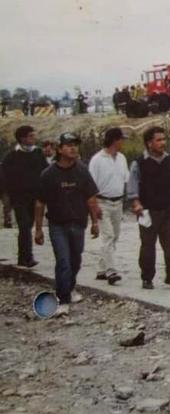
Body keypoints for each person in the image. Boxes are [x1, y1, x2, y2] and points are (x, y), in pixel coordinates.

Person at [34, 133, 100, 317]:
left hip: (78, 223)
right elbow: (40, 203)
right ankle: (62, 300)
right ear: (60, 149)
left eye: (75, 145)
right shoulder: (48, 174)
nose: (73, 148)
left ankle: (69, 288)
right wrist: (38, 229)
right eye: (69, 145)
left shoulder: (82, 170)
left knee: (75, 260)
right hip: (57, 225)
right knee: (63, 261)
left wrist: (95, 222)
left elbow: (91, 198)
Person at [127, 126, 170, 289]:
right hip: (148, 211)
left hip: (168, 210)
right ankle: (147, 278)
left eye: (164, 139)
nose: (163, 143)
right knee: (148, 246)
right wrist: (136, 203)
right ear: (149, 143)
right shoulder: (139, 163)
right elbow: (132, 185)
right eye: (159, 140)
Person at [1, 126, 48, 266]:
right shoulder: (11, 157)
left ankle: (24, 256)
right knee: (24, 225)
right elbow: (5, 179)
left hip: (35, 198)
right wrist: (7, 198)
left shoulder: (38, 153)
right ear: (22, 138)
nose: (34, 138)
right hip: (19, 198)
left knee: (28, 225)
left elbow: (45, 172)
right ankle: (27, 257)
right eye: (31, 136)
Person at [88, 128, 129, 285]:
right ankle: (111, 271)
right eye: (121, 139)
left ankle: (101, 268)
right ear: (114, 140)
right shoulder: (97, 160)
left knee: (115, 236)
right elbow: (90, 185)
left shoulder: (122, 158)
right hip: (102, 202)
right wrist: (94, 207)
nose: (123, 142)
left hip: (117, 202)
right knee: (108, 236)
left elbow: (126, 179)